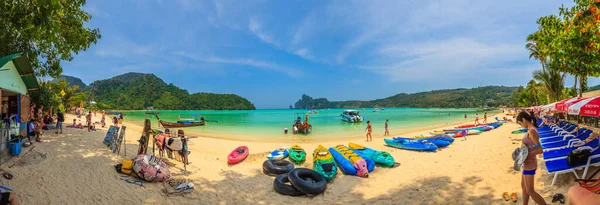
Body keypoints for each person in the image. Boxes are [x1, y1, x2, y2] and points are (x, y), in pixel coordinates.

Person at [516, 111, 547, 205]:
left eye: (520, 123)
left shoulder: (531, 131)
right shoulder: (531, 129)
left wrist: (528, 153)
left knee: (530, 191)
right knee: (524, 187)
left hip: (530, 164)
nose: (521, 125)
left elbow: (540, 149)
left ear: (524, 120)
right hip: (526, 163)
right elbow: (533, 145)